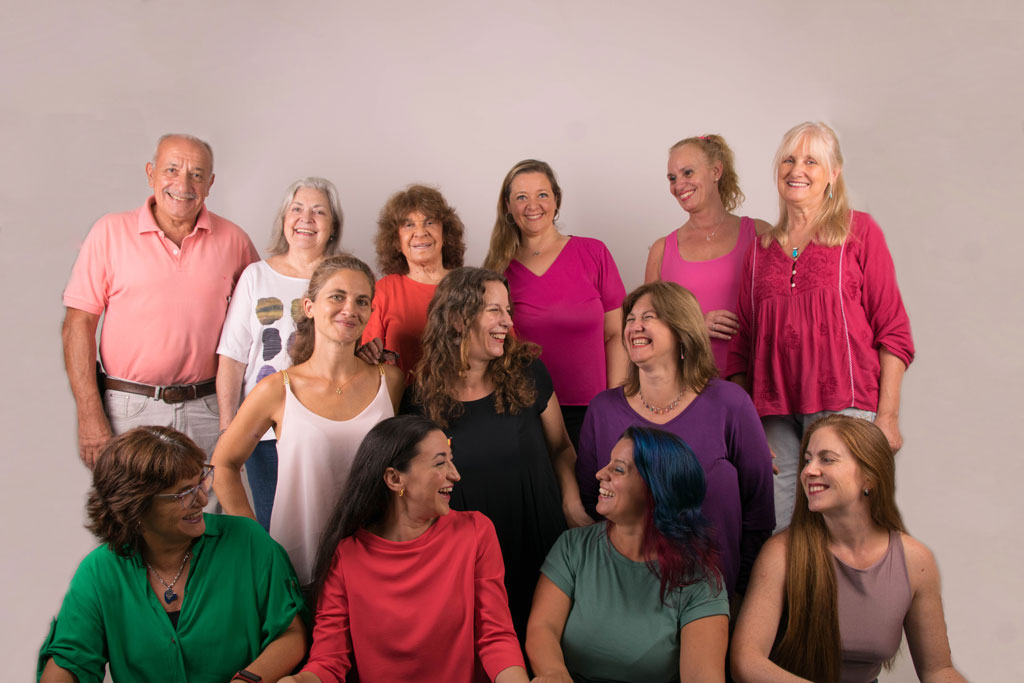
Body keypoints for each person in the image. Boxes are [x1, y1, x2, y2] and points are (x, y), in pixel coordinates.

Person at [726, 121, 915, 532]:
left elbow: (893, 331)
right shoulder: (758, 252)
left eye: (811, 160)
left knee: (841, 528)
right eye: (789, 159)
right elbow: (742, 344)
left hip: (845, 402)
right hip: (773, 414)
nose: (798, 169)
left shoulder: (859, 232)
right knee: (777, 529)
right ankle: (790, 600)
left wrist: (888, 417)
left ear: (833, 173)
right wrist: (746, 427)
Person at [404, 266, 591, 642]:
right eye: (495, 311)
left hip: (540, 538)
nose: (507, 321)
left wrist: (571, 506)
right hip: (469, 556)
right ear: (458, 318)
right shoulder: (420, 397)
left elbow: (560, 447)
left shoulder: (528, 372)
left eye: (508, 311)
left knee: (547, 645)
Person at [38, 426, 307, 683]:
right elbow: (69, 659)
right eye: (183, 494)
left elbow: (292, 633)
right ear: (136, 507)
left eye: (199, 483)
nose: (202, 499)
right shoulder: (100, 571)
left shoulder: (248, 542)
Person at [280, 415, 530, 683]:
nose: (455, 474)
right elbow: (328, 661)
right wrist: (295, 681)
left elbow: (496, 637)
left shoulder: (476, 532)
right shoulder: (346, 555)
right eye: (439, 463)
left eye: (451, 459)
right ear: (395, 479)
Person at [62, 134, 259, 466]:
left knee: (204, 513)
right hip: (129, 408)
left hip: (209, 408)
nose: (183, 183)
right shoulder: (109, 232)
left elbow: (265, 318)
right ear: (150, 173)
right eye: (172, 170)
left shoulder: (235, 240)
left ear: (210, 183)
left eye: (197, 174)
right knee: (131, 514)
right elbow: (77, 326)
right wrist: (89, 414)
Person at [212, 255, 404, 585]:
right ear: (309, 306)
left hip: (376, 565)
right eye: (337, 296)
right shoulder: (277, 389)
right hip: (298, 569)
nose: (349, 309)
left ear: (371, 312)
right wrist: (255, 541)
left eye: (361, 301)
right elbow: (223, 464)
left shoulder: (391, 381)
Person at [731, 415, 966, 683]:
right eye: (807, 460)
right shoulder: (781, 553)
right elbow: (746, 661)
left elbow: (938, 670)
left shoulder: (915, 561)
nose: (808, 471)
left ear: (870, 477)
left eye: (826, 459)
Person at [577, 281, 774, 597]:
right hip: (626, 594)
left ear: (682, 330)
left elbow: (759, 514)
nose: (634, 326)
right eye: (630, 319)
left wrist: (741, 594)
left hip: (715, 597)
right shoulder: (603, 409)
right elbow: (592, 503)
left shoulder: (731, 404)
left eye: (649, 317)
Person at [527, 426, 729, 683]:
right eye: (607, 465)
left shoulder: (700, 581)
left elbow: (702, 677)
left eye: (618, 469)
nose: (600, 473)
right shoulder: (573, 547)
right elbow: (542, 629)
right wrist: (555, 674)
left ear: (655, 489)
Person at [216, 177, 344, 530]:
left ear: (333, 226)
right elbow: (232, 358)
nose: (307, 218)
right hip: (264, 433)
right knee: (272, 530)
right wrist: (230, 429)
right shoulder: (255, 277)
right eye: (298, 209)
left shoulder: (344, 278)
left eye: (319, 212)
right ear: (285, 219)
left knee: (327, 528)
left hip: (326, 426)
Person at [483, 159, 627, 448]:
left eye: (542, 194)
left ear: (556, 200)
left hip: (593, 409)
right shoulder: (498, 270)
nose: (532, 205)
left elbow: (615, 334)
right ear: (508, 207)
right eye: (521, 197)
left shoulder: (594, 253)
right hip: (527, 410)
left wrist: (616, 405)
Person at [644, 134, 772, 372]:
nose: (678, 184)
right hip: (686, 386)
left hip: (754, 380)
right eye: (672, 178)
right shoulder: (661, 249)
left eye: (688, 173)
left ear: (716, 171)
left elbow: (782, 309)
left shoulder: (759, 233)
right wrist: (694, 326)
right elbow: (647, 326)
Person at [358, 184, 466, 381]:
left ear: (446, 233)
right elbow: (367, 365)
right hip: (401, 405)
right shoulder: (382, 292)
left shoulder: (471, 286)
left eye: (429, 222)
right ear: (395, 240)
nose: (420, 232)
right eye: (408, 225)